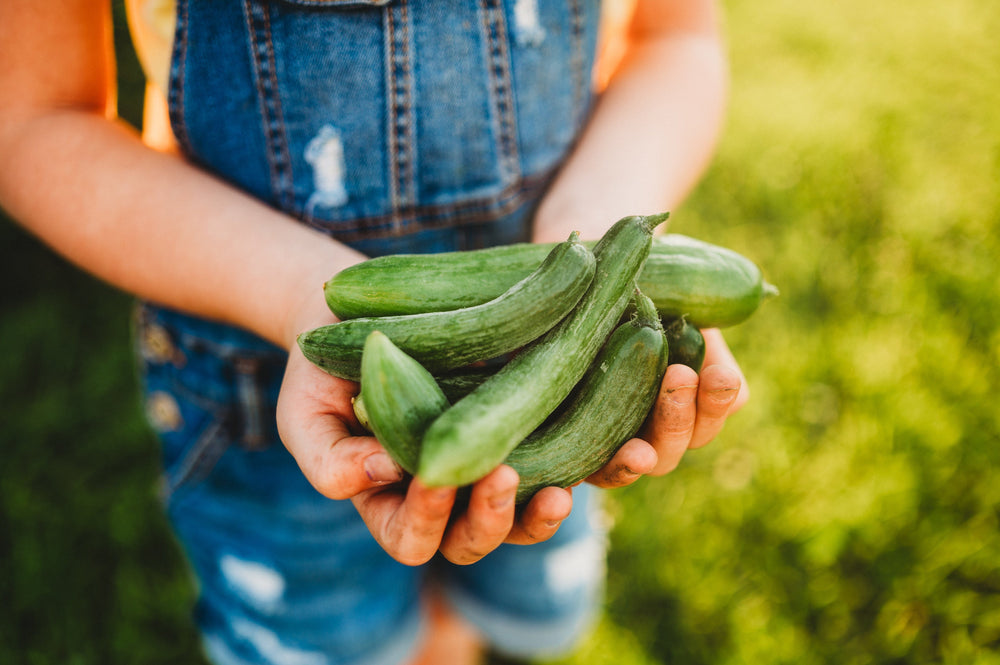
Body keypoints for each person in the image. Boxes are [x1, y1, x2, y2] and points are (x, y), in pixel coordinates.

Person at [0, 1, 748, 663]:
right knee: (330, 639)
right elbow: (33, 120)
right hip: (254, 393)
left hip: (556, 376)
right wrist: (301, 295)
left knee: (486, 580)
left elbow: (673, 35)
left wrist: (598, 257)